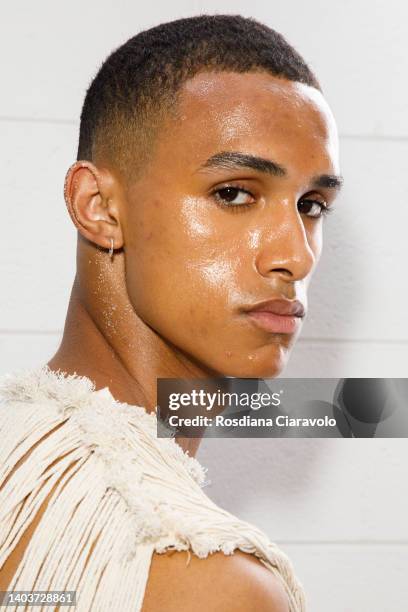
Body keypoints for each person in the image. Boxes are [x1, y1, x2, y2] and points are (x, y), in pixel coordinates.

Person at [0, 13, 342, 611]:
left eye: (312, 205)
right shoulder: (214, 584)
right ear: (98, 206)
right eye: (234, 193)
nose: (297, 254)